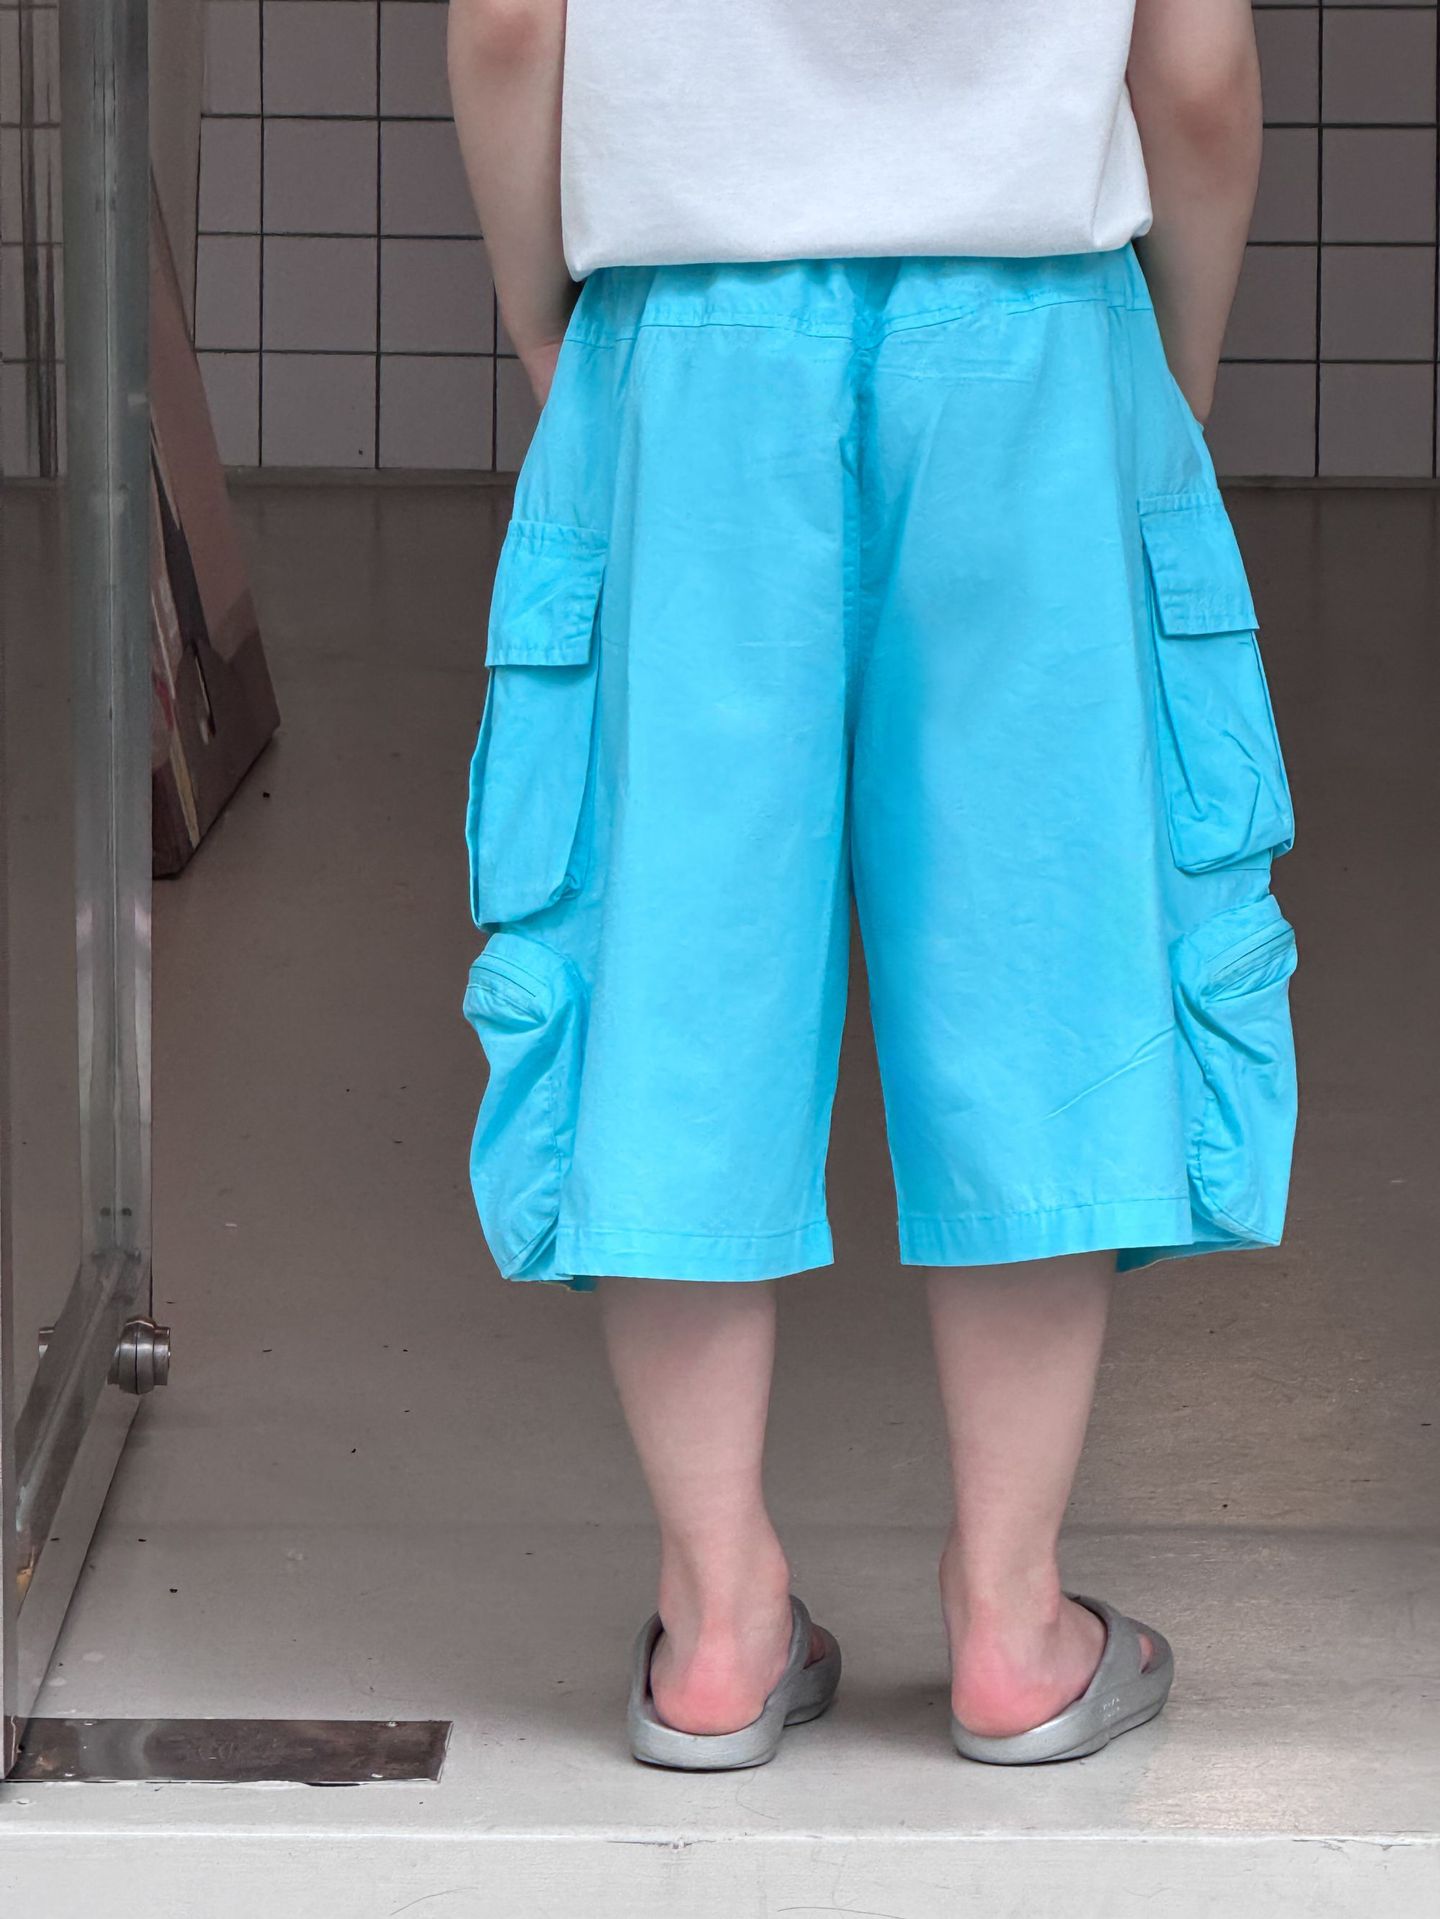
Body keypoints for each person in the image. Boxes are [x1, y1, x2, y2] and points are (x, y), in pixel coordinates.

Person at [447, 0, 1297, 1769]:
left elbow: (512, 21)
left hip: (689, 330)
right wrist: (1173, 371)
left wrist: (548, 321)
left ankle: (718, 1630)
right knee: (1041, 956)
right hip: (1035, 332)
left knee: (675, 968)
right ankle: (1013, 1626)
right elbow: (1200, 76)